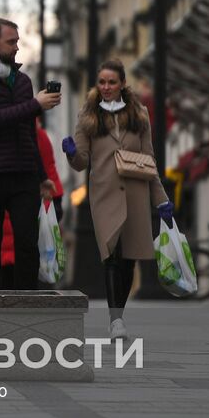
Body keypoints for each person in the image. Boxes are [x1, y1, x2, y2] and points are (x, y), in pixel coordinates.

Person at [62, 59, 173, 339]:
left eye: (112, 82)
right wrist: (72, 153)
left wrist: (161, 199)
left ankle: (118, 314)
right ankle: (115, 322)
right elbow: (82, 162)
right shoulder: (88, 115)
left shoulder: (140, 114)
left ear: (122, 83)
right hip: (104, 194)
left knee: (129, 259)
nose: (107, 87)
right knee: (111, 254)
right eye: (102, 82)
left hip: (136, 193)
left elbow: (148, 160)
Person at [0, 17, 61, 290]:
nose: (17, 47)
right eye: (11, 41)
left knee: (28, 244)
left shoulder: (22, 81)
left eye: (17, 41)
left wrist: (41, 176)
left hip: (22, 174)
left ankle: (26, 306)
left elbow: (28, 132)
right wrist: (35, 104)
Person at [0, 115, 65, 288]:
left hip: (10, 215)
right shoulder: (38, 135)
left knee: (8, 281)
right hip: (31, 214)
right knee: (32, 277)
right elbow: (50, 172)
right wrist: (54, 205)